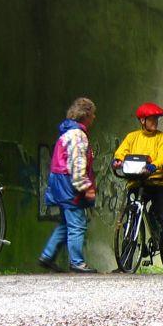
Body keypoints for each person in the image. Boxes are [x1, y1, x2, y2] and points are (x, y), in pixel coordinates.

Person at [40, 97, 98, 273]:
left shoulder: (66, 132)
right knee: (77, 223)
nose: (94, 118)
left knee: (66, 222)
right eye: (93, 114)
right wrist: (85, 186)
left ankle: (48, 255)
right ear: (86, 115)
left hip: (59, 181)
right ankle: (77, 262)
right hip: (69, 184)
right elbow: (77, 163)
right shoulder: (78, 135)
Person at [111, 102, 163, 257]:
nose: (155, 121)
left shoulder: (162, 137)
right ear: (142, 121)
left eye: (156, 119)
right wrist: (117, 161)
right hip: (137, 182)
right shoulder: (132, 137)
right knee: (131, 218)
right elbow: (121, 152)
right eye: (152, 119)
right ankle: (126, 261)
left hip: (157, 182)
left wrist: (154, 165)